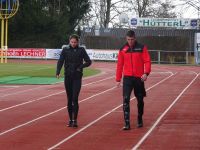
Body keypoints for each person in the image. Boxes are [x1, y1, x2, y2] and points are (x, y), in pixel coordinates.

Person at [116, 30, 151, 130]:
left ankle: (139, 118)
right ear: (126, 39)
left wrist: (146, 73)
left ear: (135, 38)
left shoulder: (142, 47)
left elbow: (147, 61)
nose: (130, 41)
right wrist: (118, 79)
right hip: (127, 78)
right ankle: (127, 123)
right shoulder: (123, 49)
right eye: (128, 39)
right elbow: (119, 65)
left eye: (132, 39)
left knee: (140, 100)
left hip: (139, 78)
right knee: (125, 99)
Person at [56, 34, 92, 128]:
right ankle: (70, 120)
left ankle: (75, 120)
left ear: (78, 42)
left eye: (75, 42)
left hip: (77, 77)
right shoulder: (65, 50)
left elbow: (88, 62)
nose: (73, 44)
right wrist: (58, 71)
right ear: (69, 41)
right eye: (72, 42)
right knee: (69, 99)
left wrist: (80, 67)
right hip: (68, 77)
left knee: (75, 98)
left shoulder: (81, 50)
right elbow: (60, 61)